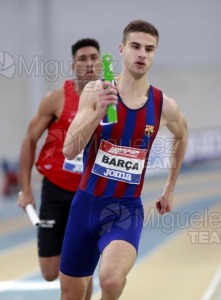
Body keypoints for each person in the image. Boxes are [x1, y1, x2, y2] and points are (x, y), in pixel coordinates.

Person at [60, 20, 188, 300]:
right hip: (86, 206)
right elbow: (69, 150)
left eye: (149, 49)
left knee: (111, 280)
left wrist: (169, 187)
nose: (142, 53)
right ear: (121, 49)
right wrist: (98, 113)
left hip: (125, 211)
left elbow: (182, 133)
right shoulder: (96, 91)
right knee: (71, 294)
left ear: (154, 54)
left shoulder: (163, 105)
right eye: (135, 46)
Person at [17, 38, 101, 299]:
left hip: (87, 192)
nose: (88, 64)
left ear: (100, 63)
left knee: (79, 266)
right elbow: (30, 139)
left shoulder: (110, 100)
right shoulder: (56, 99)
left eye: (93, 58)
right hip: (54, 190)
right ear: (73, 65)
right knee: (50, 271)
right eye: (82, 59)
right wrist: (26, 189)